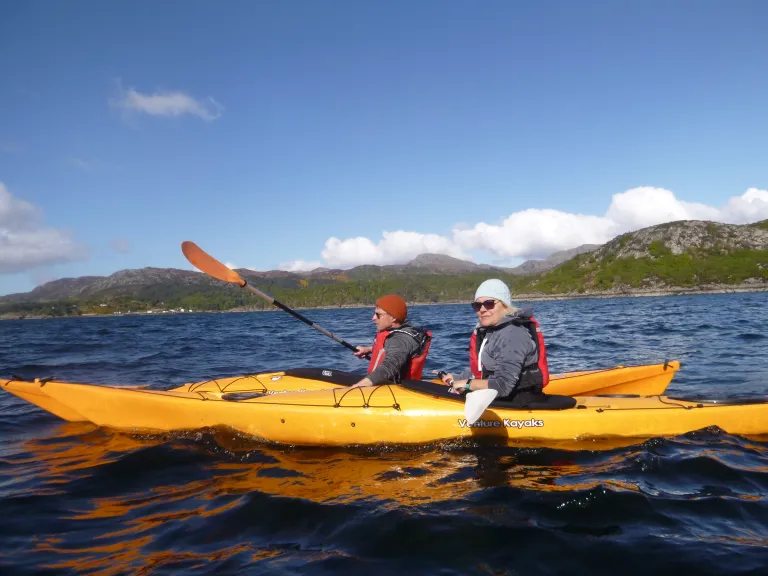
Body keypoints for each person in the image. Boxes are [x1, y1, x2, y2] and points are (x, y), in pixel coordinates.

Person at [440, 279, 549, 403]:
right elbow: (484, 368)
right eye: (477, 305)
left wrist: (466, 383)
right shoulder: (492, 331)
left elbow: (502, 386)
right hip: (502, 399)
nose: (482, 309)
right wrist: (458, 377)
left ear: (505, 305)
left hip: (519, 402)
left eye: (489, 303)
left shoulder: (513, 334)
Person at [349, 294, 432, 388]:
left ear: (393, 317)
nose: (373, 318)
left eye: (378, 315)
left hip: (396, 392)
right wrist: (368, 349)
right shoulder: (397, 336)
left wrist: (356, 387)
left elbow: (389, 367)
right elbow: (392, 349)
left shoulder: (400, 340)